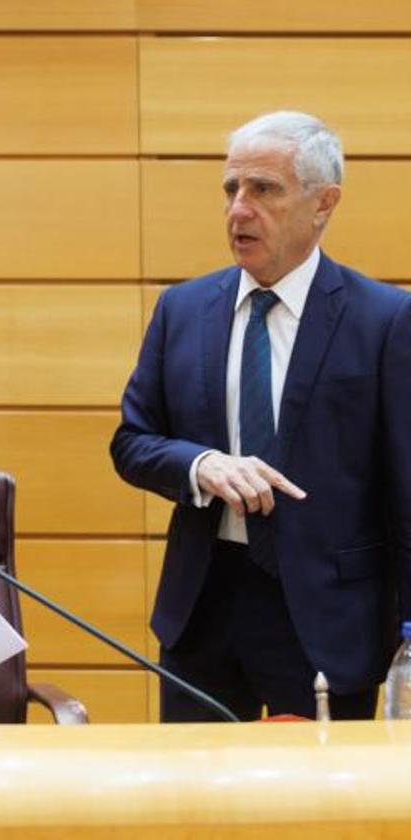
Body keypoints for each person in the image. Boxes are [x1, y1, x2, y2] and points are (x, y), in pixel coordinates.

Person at [111, 111, 411, 721]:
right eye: (231, 189)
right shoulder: (184, 309)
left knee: (324, 809)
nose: (238, 210)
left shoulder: (383, 320)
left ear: (323, 203)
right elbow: (132, 442)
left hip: (329, 616)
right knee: (196, 803)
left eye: (263, 190)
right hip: (203, 607)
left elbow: (406, 487)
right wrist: (199, 465)